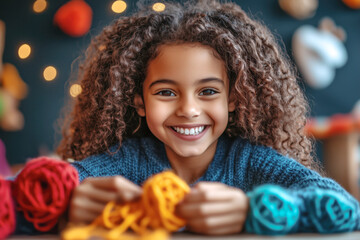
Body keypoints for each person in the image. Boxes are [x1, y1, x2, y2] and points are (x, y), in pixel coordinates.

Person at [56, 0, 359, 235]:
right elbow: (21, 194)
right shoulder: (125, 163)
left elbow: (347, 209)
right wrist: (65, 203)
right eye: (166, 93)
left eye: (208, 92)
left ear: (233, 99)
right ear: (139, 103)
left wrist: (251, 210)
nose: (188, 110)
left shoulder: (251, 161)